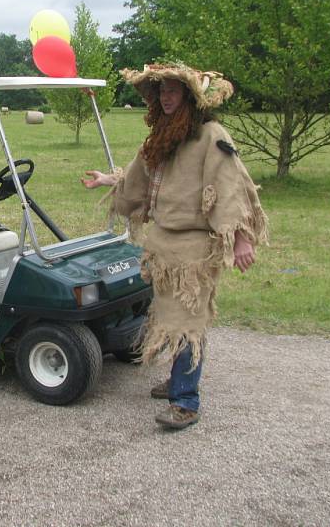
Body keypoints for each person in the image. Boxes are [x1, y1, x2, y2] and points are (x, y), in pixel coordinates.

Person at [82, 63, 268, 430]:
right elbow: (139, 175)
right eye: (161, 91)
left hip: (195, 251)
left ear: (189, 96)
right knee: (169, 319)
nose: (165, 97)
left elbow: (231, 186)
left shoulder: (211, 136)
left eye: (173, 90)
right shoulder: (162, 137)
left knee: (187, 324)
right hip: (163, 248)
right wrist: (109, 179)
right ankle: (178, 383)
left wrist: (242, 237)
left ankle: (186, 401)